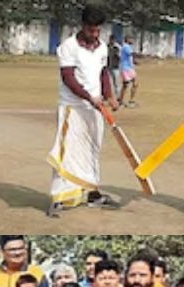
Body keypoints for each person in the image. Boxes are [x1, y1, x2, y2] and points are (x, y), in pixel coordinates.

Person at [46, 5, 119, 217]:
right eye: (91, 30)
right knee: (66, 151)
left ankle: (92, 193)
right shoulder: (68, 47)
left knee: (93, 150)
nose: (94, 34)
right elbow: (68, 78)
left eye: (98, 31)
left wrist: (110, 96)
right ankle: (58, 198)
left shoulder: (102, 48)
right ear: (83, 26)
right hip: (73, 107)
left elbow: (103, 74)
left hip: (96, 108)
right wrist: (89, 97)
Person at [118, 35, 138, 108]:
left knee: (135, 84)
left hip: (130, 68)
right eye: (131, 39)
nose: (133, 41)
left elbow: (129, 57)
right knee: (125, 85)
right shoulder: (126, 47)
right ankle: (122, 101)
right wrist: (139, 55)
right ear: (127, 39)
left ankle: (129, 100)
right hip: (126, 68)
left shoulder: (128, 47)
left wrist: (134, 62)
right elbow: (132, 54)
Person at [107, 35, 122, 99]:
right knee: (110, 82)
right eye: (111, 39)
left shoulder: (117, 47)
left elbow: (120, 56)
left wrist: (117, 54)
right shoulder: (108, 46)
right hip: (109, 67)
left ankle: (118, 96)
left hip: (116, 67)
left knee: (117, 83)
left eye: (113, 40)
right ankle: (111, 96)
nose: (111, 41)